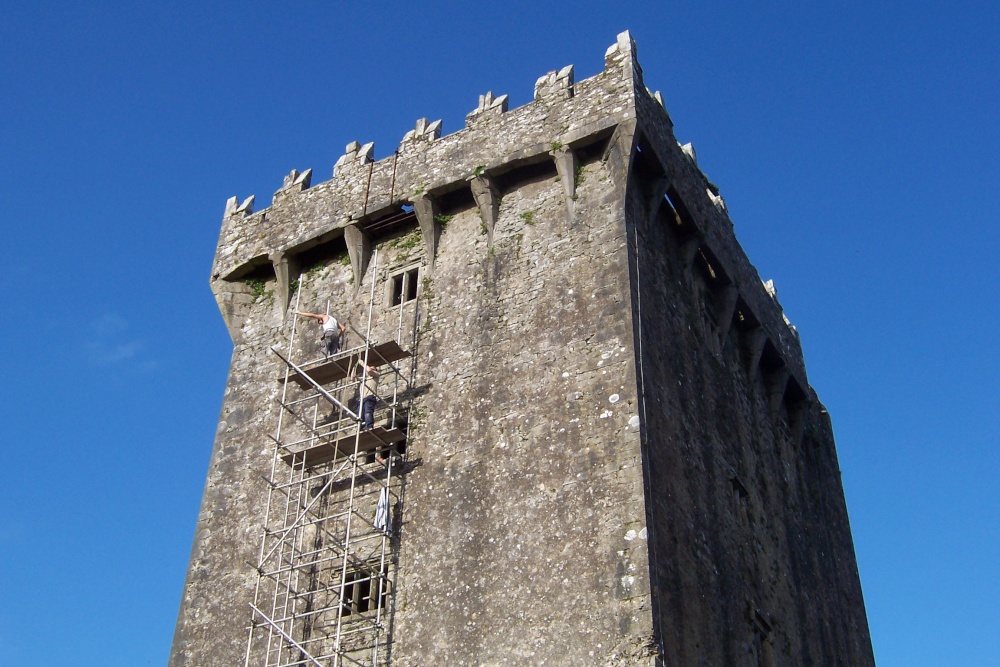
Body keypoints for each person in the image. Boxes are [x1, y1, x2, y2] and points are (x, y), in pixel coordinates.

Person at [350, 361, 380, 430]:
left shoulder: (375, 376)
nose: (371, 369)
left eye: (373, 369)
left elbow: (369, 370)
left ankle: (369, 426)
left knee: (368, 412)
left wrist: (362, 363)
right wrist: (354, 368)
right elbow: (352, 378)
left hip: (369, 397)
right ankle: (361, 427)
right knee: (360, 415)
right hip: (362, 399)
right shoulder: (364, 379)